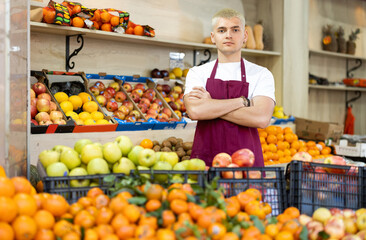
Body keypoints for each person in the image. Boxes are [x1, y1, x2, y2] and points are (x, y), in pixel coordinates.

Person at [183, 8, 275, 167]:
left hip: (247, 163)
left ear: (245, 36)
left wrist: (211, 105)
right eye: (221, 30)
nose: (228, 35)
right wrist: (242, 101)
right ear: (213, 37)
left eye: (235, 30)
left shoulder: (261, 74)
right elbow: (196, 111)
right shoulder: (197, 73)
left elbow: (261, 118)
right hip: (207, 161)